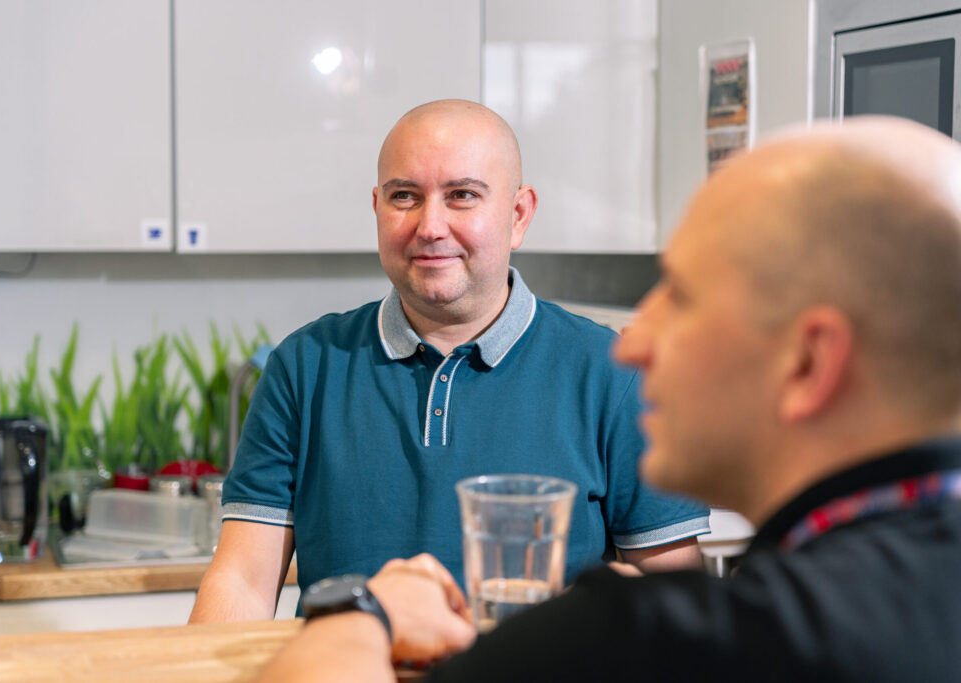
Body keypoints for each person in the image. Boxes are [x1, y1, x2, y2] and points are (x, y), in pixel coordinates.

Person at [256, 115, 961, 682]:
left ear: (808, 363)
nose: (632, 342)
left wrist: (364, 612)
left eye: (682, 296)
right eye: (405, 195)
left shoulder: (666, 637)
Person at [189, 99, 709, 622]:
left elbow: (674, 604)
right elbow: (243, 581)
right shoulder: (304, 367)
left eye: (462, 195)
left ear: (519, 215)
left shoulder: (615, 374)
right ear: (377, 208)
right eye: (404, 196)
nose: (430, 226)